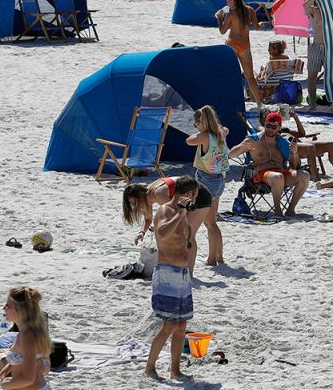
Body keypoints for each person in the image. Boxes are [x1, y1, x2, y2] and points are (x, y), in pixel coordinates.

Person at [146, 184, 198, 380]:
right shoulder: (165, 210)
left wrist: (187, 223)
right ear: (178, 194)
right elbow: (162, 232)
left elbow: (187, 239)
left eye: (193, 195)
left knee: (182, 324)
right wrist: (180, 214)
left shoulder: (183, 214)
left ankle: (175, 371)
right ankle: (150, 367)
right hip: (167, 272)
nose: (190, 198)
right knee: (169, 323)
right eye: (189, 194)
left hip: (182, 274)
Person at [228, 111, 310, 215]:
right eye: (268, 125)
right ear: (265, 124)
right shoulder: (253, 140)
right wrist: (241, 148)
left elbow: (295, 166)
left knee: (305, 175)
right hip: (260, 175)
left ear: (279, 127)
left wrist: (294, 154)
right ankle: (277, 209)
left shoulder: (284, 143)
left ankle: (290, 209)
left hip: (281, 172)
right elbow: (231, 155)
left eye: (273, 127)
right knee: (278, 177)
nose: (270, 129)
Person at [123, 175, 213, 269]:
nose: (135, 207)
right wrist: (141, 233)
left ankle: (189, 271)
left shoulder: (158, 194)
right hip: (191, 193)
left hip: (197, 194)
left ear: (140, 197)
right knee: (209, 225)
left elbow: (174, 212)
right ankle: (214, 259)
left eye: (134, 204)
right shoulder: (148, 196)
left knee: (189, 235)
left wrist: (157, 225)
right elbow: (148, 219)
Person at [185, 105, 229, 267]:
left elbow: (188, 141)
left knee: (205, 223)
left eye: (196, 124)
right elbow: (227, 129)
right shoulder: (221, 133)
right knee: (212, 222)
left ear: (201, 123)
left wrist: (200, 131)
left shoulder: (204, 137)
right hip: (219, 179)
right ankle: (219, 256)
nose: (195, 127)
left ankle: (211, 259)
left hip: (205, 180)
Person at [217, 0, 262, 108]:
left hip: (232, 44)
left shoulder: (231, 14)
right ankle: (259, 104)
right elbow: (256, 27)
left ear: (234, 1)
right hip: (245, 45)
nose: (227, 4)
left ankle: (231, 102)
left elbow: (222, 31)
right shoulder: (250, 10)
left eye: (228, 1)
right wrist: (261, 25)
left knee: (230, 74)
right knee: (250, 77)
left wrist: (219, 18)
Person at [302, 0, 327, 106]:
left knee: (332, 78)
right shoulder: (313, 10)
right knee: (311, 79)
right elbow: (305, 5)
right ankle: (313, 105)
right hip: (316, 46)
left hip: (329, 47)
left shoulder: (331, 10)